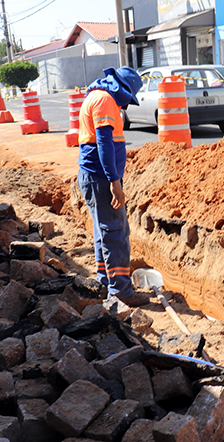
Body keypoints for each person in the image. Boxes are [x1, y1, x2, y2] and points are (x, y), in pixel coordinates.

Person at [77, 66, 143, 306]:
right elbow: (104, 143)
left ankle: (107, 283)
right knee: (115, 233)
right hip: (101, 178)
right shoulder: (104, 101)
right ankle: (122, 293)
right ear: (123, 89)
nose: (126, 105)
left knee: (103, 231)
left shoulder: (96, 95)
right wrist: (114, 182)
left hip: (95, 176)